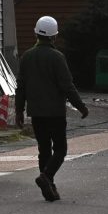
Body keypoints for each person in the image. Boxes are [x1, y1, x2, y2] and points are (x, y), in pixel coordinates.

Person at [14, 15, 89, 202]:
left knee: (44, 150)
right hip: (55, 112)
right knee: (61, 149)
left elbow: (20, 86)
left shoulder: (26, 57)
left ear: (35, 33)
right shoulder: (57, 57)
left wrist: (18, 111)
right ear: (54, 37)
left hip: (36, 112)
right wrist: (81, 107)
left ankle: (49, 183)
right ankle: (46, 177)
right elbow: (67, 85)